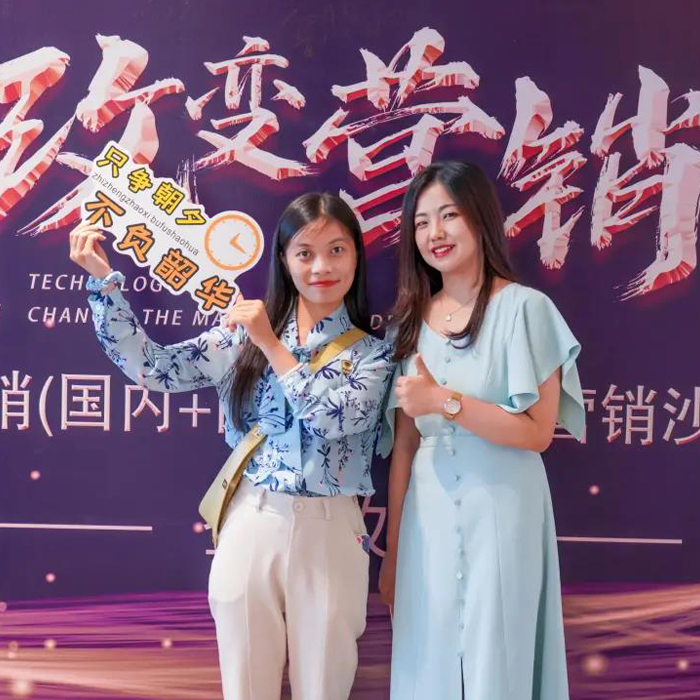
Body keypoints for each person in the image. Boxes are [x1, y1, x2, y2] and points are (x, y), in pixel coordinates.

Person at [69, 192, 395, 700]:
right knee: (244, 684)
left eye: (337, 250)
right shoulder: (240, 336)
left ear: (356, 256)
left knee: (325, 685)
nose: (321, 267)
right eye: (304, 253)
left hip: (332, 529)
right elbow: (153, 368)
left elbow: (332, 418)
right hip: (252, 518)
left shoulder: (375, 355)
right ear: (284, 261)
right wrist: (103, 283)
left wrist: (270, 343)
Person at [377, 161, 585, 699]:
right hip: (427, 515)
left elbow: (538, 432)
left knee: (500, 657)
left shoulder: (525, 309)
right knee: (428, 662)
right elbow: (405, 446)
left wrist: (445, 402)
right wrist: (394, 552)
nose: (435, 233)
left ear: (480, 218)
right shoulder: (408, 322)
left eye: (449, 215)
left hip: (503, 506)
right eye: (422, 222)